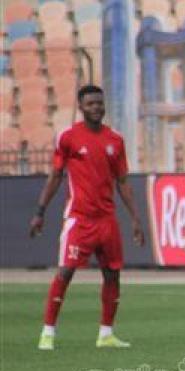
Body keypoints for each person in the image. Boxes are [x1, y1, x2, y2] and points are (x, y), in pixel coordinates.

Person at [30, 84, 145, 350]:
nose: (96, 108)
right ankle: (48, 332)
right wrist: (40, 212)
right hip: (80, 219)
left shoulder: (115, 140)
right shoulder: (68, 137)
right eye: (91, 104)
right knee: (65, 272)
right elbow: (56, 176)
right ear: (81, 107)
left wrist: (136, 219)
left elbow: (123, 181)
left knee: (113, 275)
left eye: (99, 103)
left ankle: (106, 334)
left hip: (107, 220)